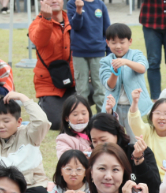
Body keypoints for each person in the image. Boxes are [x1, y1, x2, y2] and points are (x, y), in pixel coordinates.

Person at [99, 23, 151, 142]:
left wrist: (126, 62)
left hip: (134, 107)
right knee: (115, 140)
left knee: (136, 140)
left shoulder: (136, 54)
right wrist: (114, 72)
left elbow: (142, 68)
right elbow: (109, 85)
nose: (118, 46)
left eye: (122, 42)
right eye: (113, 42)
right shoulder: (105, 61)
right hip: (115, 107)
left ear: (130, 41)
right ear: (107, 43)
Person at [89, 112, 160, 193]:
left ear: (117, 135)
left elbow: (154, 188)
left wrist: (139, 160)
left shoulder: (140, 152)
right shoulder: (94, 159)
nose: (99, 145)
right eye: (94, 141)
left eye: (103, 139)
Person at [29, 0, 76, 131]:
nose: (54, 0)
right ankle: (46, 104)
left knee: (97, 88)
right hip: (49, 83)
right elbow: (40, 40)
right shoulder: (36, 24)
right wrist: (47, 19)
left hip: (74, 79)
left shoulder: (73, 19)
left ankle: (74, 106)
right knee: (56, 123)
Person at [129, 90, 166, 178]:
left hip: (165, 182)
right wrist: (135, 103)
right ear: (151, 116)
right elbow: (135, 123)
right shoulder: (147, 131)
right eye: (157, 113)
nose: (161, 117)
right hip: (144, 177)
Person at [68, 0, 110, 113]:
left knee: (100, 89)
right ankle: (83, 119)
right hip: (79, 53)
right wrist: (78, 10)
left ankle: (103, 118)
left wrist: (109, 53)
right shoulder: (72, 3)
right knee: (82, 90)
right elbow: (75, 26)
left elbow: (107, 30)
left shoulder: (100, 4)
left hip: (98, 52)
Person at [56, 94, 94, 159]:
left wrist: (109, 111)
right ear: (66, 118)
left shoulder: (94, 132)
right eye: (75, 114)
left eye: (84, 113)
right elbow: (65, 159)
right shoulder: (63, 139)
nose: (80, 118)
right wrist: (82, 157)